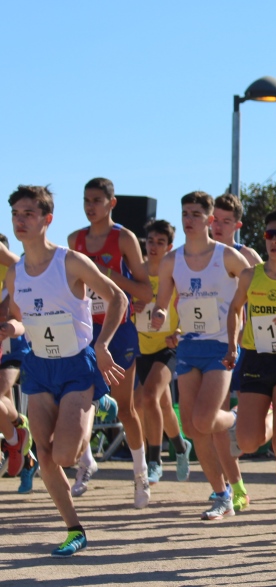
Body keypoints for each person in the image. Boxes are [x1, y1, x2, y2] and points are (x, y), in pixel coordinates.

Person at [2, 185, 127, 556]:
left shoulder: (70, 261)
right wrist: (13, 328)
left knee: (65, 456)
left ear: (47, 219)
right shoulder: (15, 274)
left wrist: (102, 345)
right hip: (39, 367)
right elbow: (22, 319)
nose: (20, 220)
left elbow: (117, 297)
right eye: (16, 214)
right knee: (43, 452)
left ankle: (96, 403)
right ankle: (75, 529)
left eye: (28, 214)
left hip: (76, 365)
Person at [151, 191, 249, 520]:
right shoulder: (172, 260)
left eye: (195, 213)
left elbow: (252, 286)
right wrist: (159, 317)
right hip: (189, 346)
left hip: (221, 347)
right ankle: (222, 495)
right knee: (194, 429)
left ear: (209, 219)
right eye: (184, 213)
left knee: (206, 420)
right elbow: (164, 302)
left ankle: (236, 420)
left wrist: (239, 331)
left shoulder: (228, 257)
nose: (188, 219)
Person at [68, 178, 153, 507]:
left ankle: (140, 473)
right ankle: (86, 460)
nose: (91, 206)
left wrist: (107, 277)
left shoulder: (124, 238)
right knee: (76, 397)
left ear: (111, 203)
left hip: (119, 330)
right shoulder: (74, 240)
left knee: (126, 406)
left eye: (97, 200)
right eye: (86, 200)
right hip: (84, 331)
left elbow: (145, 292)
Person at [225, 207, 276, 533]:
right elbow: (234, 310)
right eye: (269, 235)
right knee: (247, 442)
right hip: (255, 358)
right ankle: (270, 418)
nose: (274, 241)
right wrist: (232, 344)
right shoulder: (250, 275)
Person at [210, 192, 261, 513]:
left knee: (237, 427)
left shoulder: (246, 255)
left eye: (226, 221)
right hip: (205, 343)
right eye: (214, 219)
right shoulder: (197, 254)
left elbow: (268, 290)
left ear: (237, 225)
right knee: (214, 422)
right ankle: (233, 488)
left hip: (242, 346)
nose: (218, 226)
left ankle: (232, 487)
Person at [134, 220, 192, 484]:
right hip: (141, 347)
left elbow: (191, 306)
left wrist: (179, 332)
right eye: (150, 241)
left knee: (148, 397)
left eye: (160, 242)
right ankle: (181, 447)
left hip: (167, 347)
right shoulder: (136, 273)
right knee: (164, 405)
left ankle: (154, 460)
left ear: (169, 247)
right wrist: (130, 308)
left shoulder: (175, 274)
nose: (154, 247)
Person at [0, 236, 33, 482]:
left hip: (15, 348)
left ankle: (17, 434)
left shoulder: (14, 271)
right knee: (3, 407)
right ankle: (25, 454)